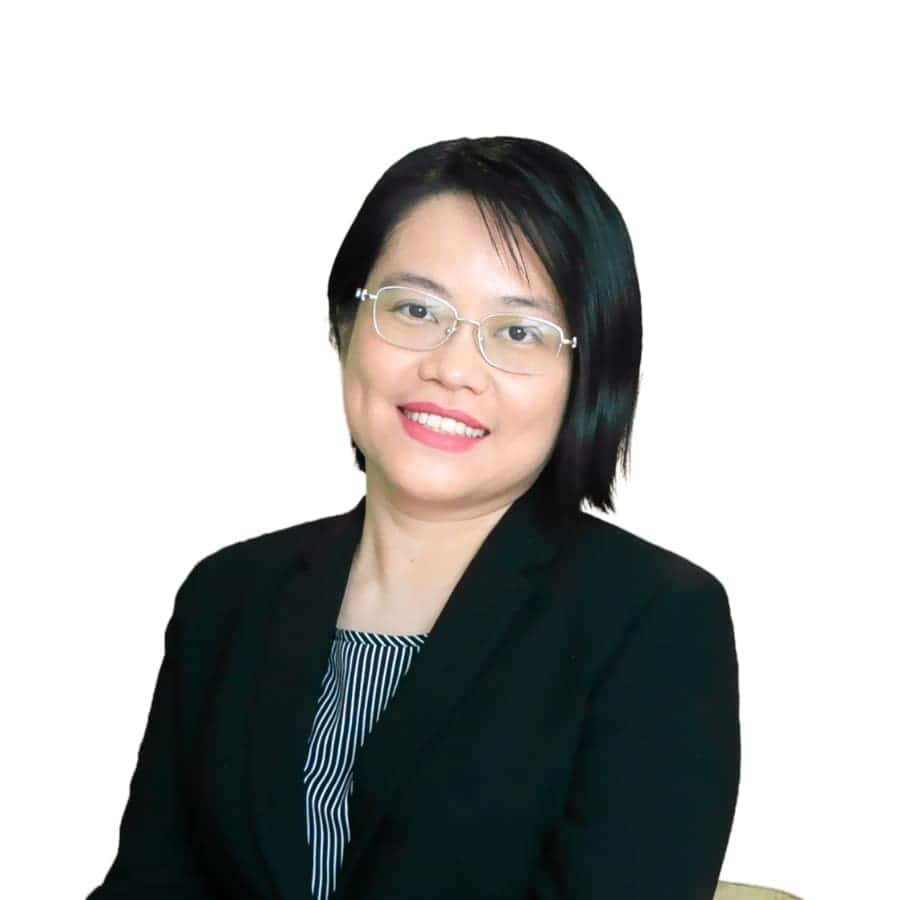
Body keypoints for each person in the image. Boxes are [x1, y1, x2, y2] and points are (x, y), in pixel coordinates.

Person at [86, 136, 740, 900]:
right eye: (415, 309)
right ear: (344, 325)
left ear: (588, 376)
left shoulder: (653, 619)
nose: (451, 368)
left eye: (519, 331)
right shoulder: (227, 596)